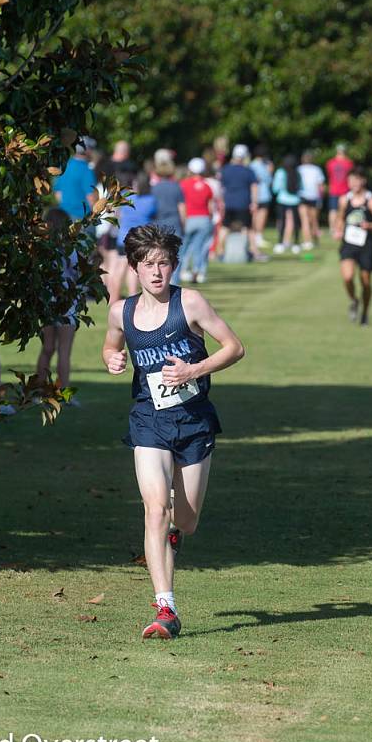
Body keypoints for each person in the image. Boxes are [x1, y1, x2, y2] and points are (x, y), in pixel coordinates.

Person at [101, 225, 245, 639]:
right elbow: (111, 345)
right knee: (155, 509)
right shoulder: (121, 312)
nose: (157, 272)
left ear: (174, 265)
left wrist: (194, 369)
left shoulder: (191, 303)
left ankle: (175, 534)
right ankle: (166, 607)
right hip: (148, 420)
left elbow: (234, 347)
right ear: (135, 268)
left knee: (186, 519)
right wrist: (112, 359)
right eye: (148, 265)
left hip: (194, 420)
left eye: (164, 263)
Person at [333, 168, 372, 325]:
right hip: (348, 244)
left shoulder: (370, 200)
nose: (354, 183)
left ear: (363, 181)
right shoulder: (345, 199)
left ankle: (365, 312)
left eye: (357, 180)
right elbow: (339, 218)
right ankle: (354, 300)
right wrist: (337, 229)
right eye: (351, 180)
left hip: (365, 245)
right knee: (347, 277)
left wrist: (369, 225)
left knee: (365, 281)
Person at [36, 207, 79, 399]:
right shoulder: (70, 249)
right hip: (65, 302)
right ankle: (63, 394)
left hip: (47, 300)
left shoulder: (42, 249)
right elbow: (78, 273)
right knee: (64, 351)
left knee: (47, 348)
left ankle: (38, 391)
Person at [114, 174, 158, 298]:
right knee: (134, 269)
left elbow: (118, 215)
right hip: (140, 239)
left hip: (122, 237)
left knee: (120, 269)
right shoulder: (151, 200)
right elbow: (154, 215)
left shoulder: (126, 198)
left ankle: (113, 297)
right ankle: (132, 296)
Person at [218, 144, 263, 263]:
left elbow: (221, 187)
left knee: (225, 227)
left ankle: (220, 250)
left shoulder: (225, 169)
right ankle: (252, 250)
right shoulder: (248, 171)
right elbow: (254, 187)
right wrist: (254, 202)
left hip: (229, 203)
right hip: (243, 202)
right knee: (247, 228)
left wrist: (222, 201)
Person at [179, 157, 219, 284]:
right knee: (201, 247)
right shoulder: (208, 185)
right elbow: (211, 206)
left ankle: (184, 270)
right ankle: (200, 271)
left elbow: (182, 204)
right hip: (204, 218)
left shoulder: (183, 184)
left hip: (189, 218)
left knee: (185, 247)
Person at [272, 154, 302, 255]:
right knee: (296, 222)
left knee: (282, 221)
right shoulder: (297, 172)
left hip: (282, 199)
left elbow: (275, 188)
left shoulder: (280, 172)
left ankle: (280, 243)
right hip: (295, 200)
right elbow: (301, 187)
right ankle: (296, 243)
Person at [296, 152, 325, 259]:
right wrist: (321, 198)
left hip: (303, 196)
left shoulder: (299, 169)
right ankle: (313, 240)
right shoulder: (317, 169)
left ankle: (308, 241)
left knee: (305, 220)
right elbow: (321, 186)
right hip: (314, 196)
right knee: (313, 219)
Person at [325, 144, 354, 236]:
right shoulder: (349, 163)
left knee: (333, 210)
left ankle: (332, 229)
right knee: (344, 210)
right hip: (345, 190)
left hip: (333, 189)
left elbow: (329, 175)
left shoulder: (330, 163)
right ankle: (342, 228)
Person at [250, 144, 274, 251]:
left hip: (252, 194)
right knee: (261, 215)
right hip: (263, 194)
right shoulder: (265, 165)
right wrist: (270, 171)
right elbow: (268, 180)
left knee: (254, 215)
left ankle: (254, 236)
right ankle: (258, 236)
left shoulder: (251, 165)